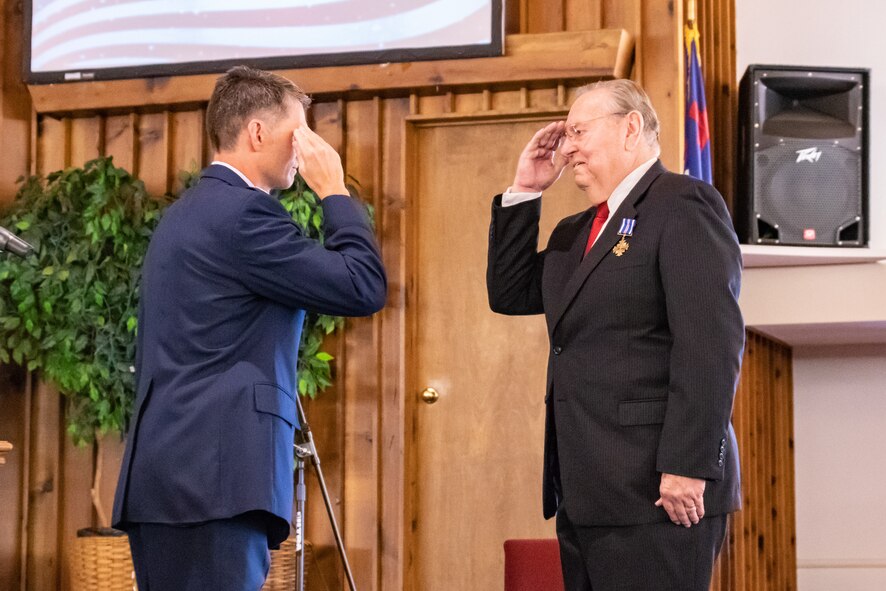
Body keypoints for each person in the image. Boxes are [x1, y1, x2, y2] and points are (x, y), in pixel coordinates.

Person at [112, 66, 387, 590]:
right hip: (213, 483)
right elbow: (362, 286)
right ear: (258, 133)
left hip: (171, 477)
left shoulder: (187, 211)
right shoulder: (244, 216)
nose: (305, 149)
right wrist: (333, 190)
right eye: (299, 134)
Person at [486, 79, 744, 590]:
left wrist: (687, 466)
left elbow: (710, 346)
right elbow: (510, 292)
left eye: (580, 130)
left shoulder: (683, 204)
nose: (568, 145)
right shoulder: (575, 231)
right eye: (567, 134)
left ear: (631, 128)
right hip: (588, 490)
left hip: (661, 490)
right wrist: (526, 191)